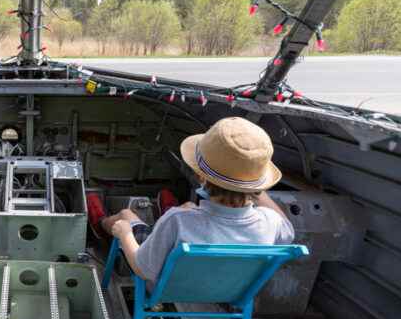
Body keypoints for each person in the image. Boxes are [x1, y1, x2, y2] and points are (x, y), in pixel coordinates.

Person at [104, 117, 295, 287]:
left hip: (168, 288)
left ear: (201, 177)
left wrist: (125, 234)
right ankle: (168, 209)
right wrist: (251, 184)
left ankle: (100, 222)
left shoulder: (177, 220)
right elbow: (287, 230)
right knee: (186, 210)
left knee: (126, 217)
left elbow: (142, 269)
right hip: (228, 291)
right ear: (257, 185)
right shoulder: (272, 222)